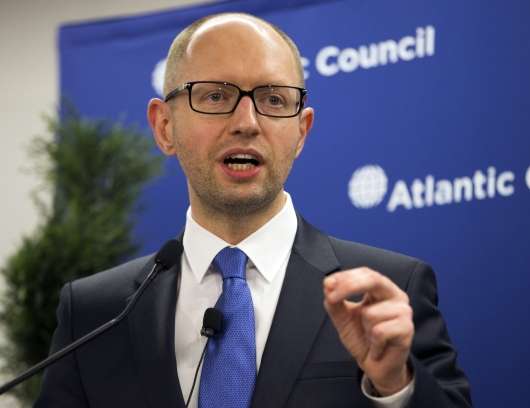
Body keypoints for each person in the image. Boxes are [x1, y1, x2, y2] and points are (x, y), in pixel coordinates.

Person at [35, 12, 471, 408]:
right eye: (215, 96)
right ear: (164, 127)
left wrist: (395, 385)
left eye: (274, 100)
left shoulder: (386, 293)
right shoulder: (95, 313)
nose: (246, 122)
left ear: (301, 133)